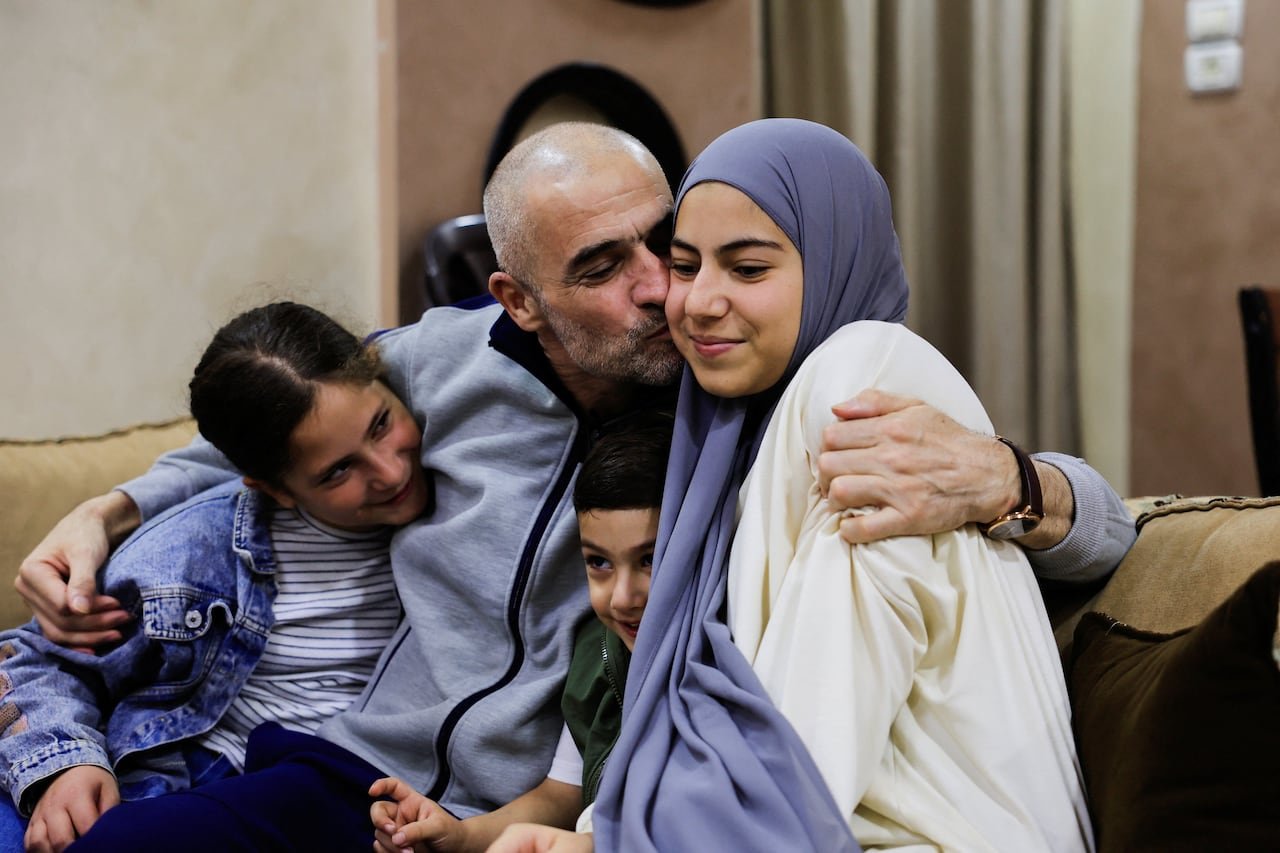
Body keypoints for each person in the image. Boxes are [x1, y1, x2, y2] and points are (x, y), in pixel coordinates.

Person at [12, 123, 1132, 846]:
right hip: (361, 767)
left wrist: (1007, 478)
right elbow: (274, 427)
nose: (666, 293)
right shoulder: (435, 366)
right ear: (518, 298)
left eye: (673, 244)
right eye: (603, 268)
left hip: (527, 805)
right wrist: (109, 507)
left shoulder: (745, 393)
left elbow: (1103, 526)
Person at [588, 118, 1090, 851]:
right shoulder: (725, 431)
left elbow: (805, 754)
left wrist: (1019, 481)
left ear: (832, 262)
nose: (698, 302)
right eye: (687, 266)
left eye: (749, 269)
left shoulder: (861, 376)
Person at [0, 302, 429, 852]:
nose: (392, 471)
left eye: (381, 424)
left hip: (353, 794)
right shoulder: (192, 556)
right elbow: (33, 659)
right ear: (273, 487)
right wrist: (66, 765)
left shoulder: (455, 469)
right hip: (190, 784)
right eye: (337, 471)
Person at [368, 412, 671, 852]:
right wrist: (458, 835)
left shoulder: (728, 646)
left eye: (649, 559)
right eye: (599, 563)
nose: (622, 597)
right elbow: (559, 796)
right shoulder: (597, 654)